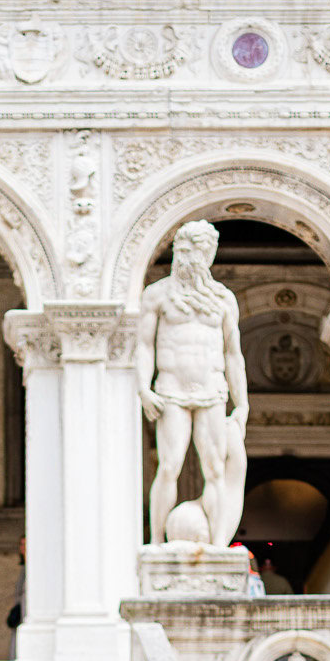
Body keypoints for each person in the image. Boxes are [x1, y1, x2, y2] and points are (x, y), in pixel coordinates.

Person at [137, 220, 248, 549]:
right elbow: (144, 345)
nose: (186, 260)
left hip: (212, 390)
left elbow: (233, 354)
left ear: (208, 256)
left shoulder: (223, 299)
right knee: (169, 465)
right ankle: (157, 542)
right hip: (171, 389)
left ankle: (216, 545)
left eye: (194, 253)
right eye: (181, 252)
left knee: (214, 469)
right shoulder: (157, 295)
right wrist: (144, 387)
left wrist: (241, 403)